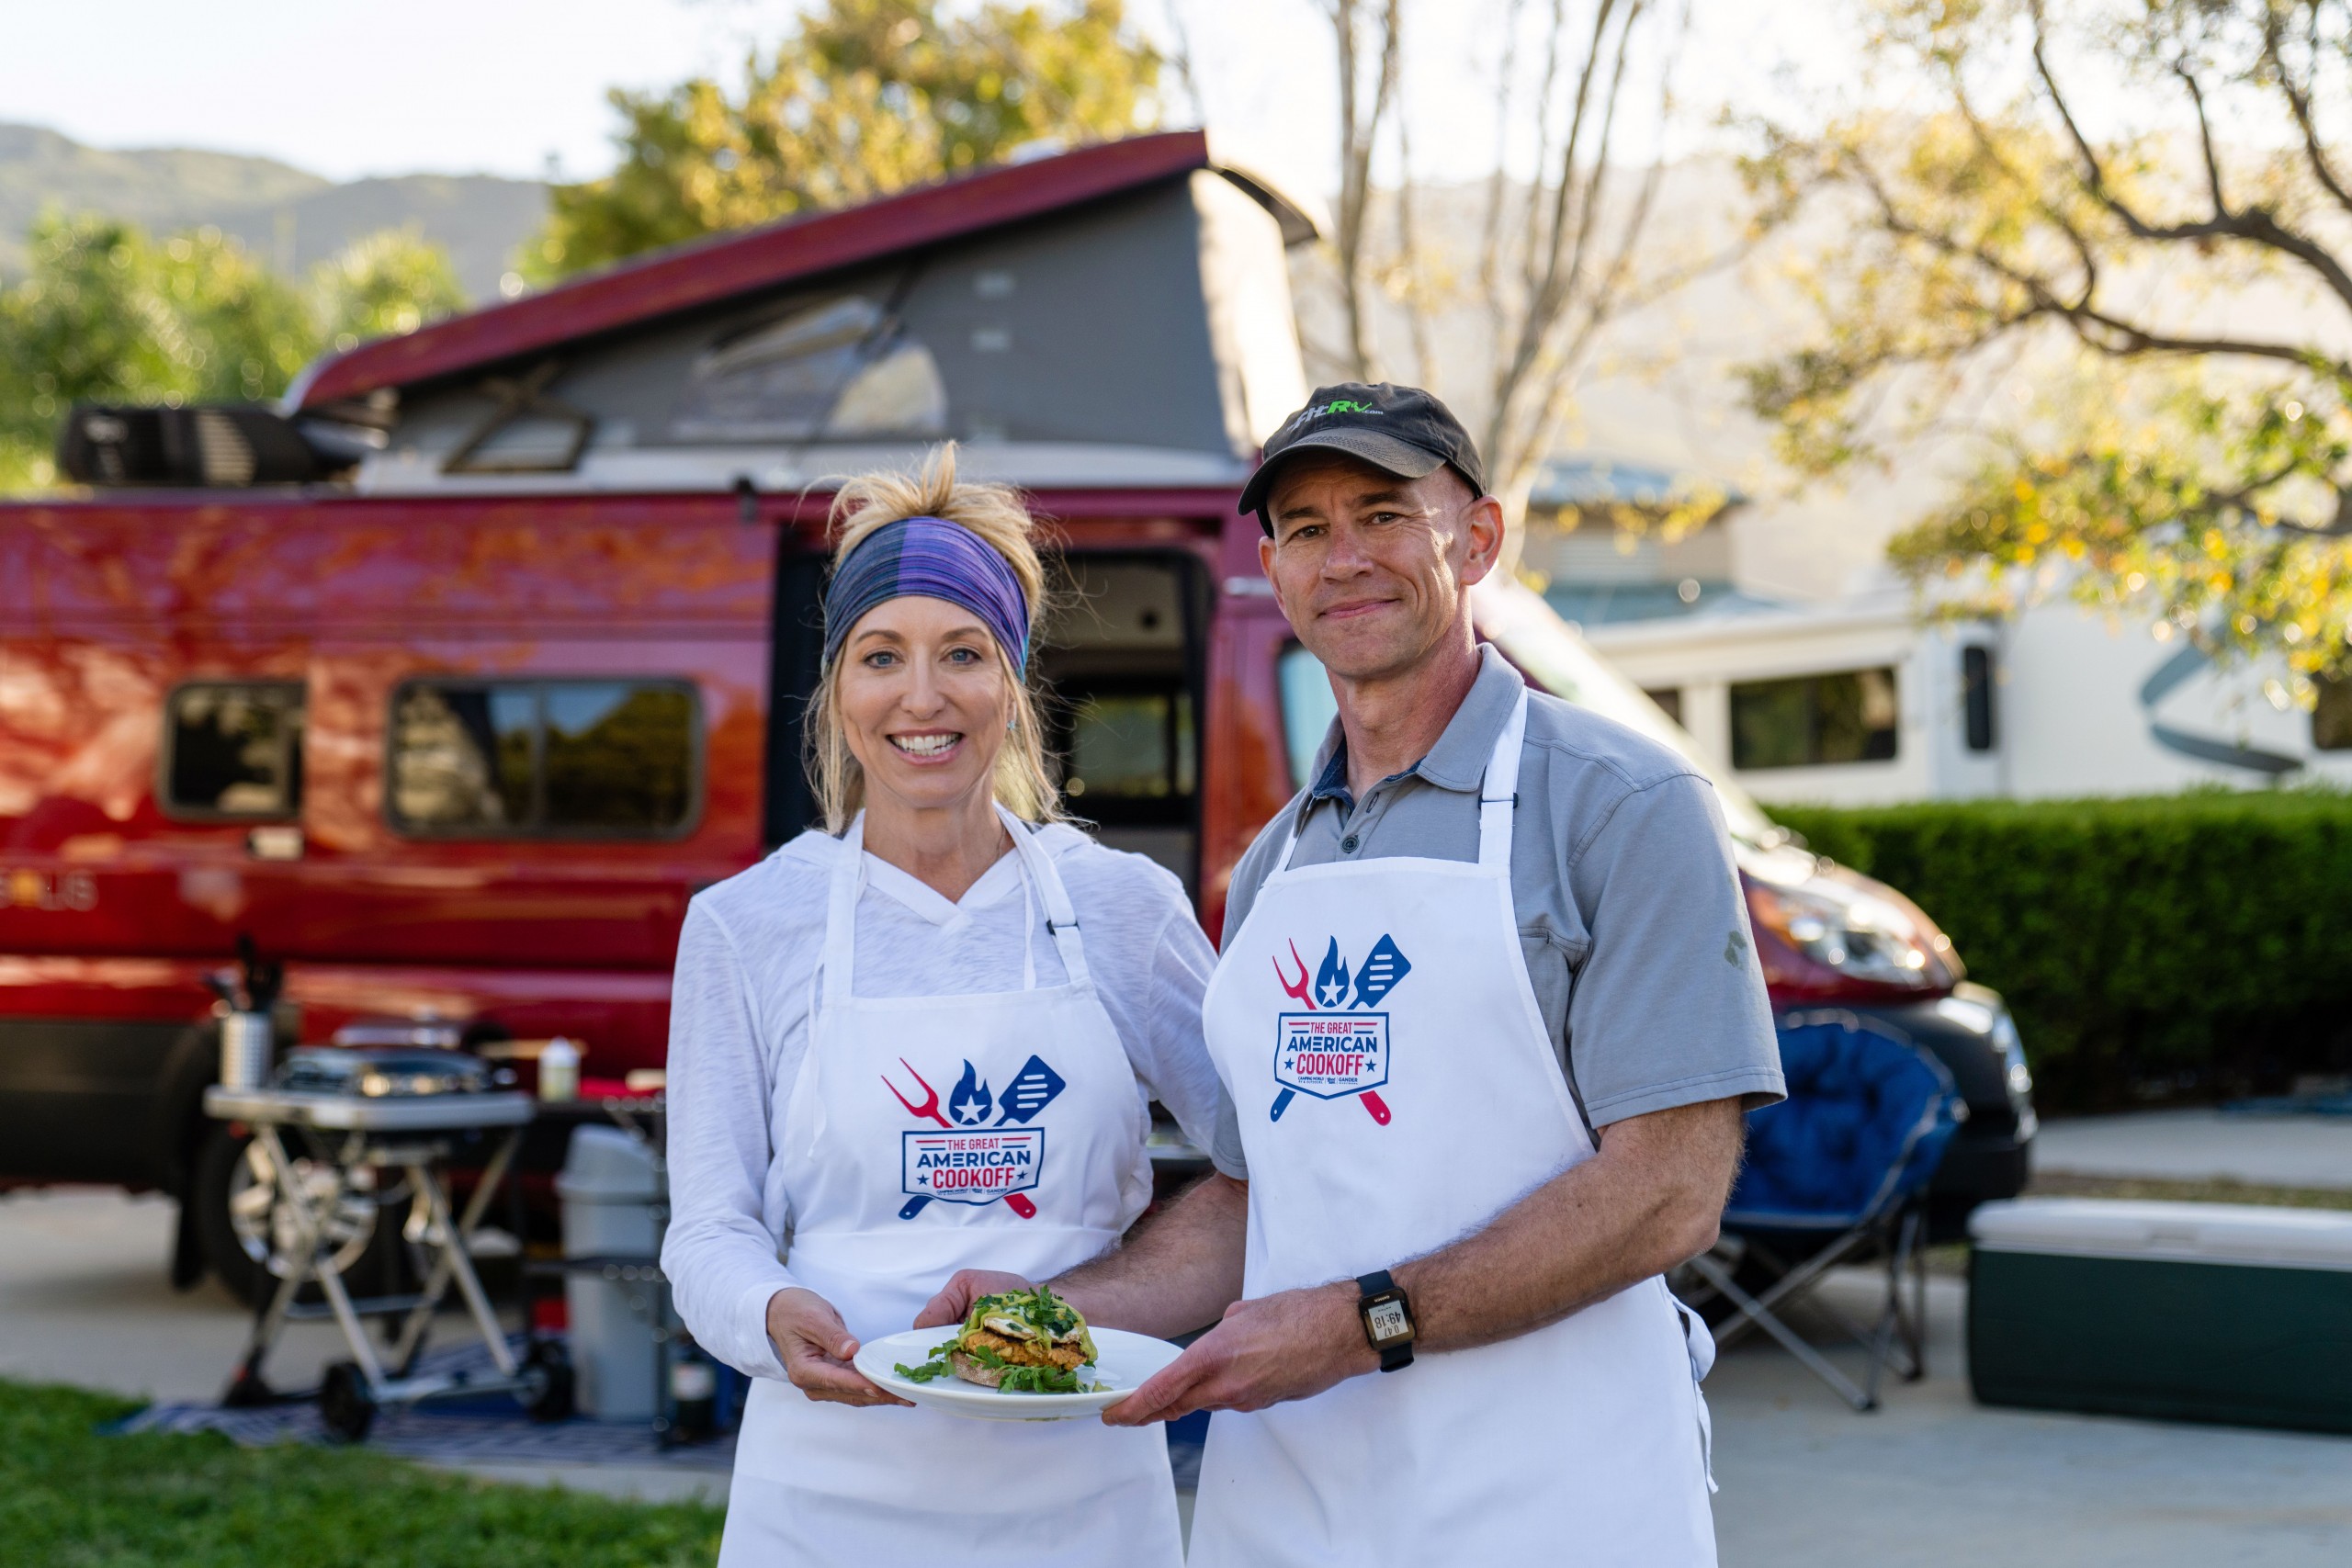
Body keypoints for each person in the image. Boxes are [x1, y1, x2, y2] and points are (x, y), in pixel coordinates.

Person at [923, 384, 1786, 1565]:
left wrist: (1359, 1323)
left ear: (1475, 539)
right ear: (1272, 571)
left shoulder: (1621, 806)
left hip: (1551, 1491)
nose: (1345, 559)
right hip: (1292, 1497)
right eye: (1307, 528)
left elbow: (1668, 1191)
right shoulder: (1274, 861)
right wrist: (1056, 1312)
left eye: (1383, 514)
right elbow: (1256, 1193)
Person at [662, 447, 1242, 1566]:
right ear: (838, 686)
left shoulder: (1121, 908)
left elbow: (1264, 1167)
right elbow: (711, 1227)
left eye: (962, 654)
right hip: (825, 1494)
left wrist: (1090, 1304)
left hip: (1082, 1500)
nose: (922, 697)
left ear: (1013, 685)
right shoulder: (748, 923)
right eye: (882, 656)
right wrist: (769, 1318)